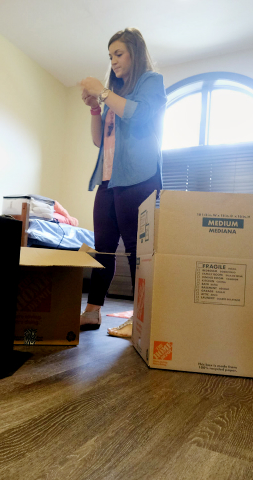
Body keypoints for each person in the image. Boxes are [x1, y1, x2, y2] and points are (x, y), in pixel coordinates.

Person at [78, 28, 166, 338]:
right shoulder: (113, 94)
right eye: (110, 56)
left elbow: (141, 117)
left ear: (135, 54)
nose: (113, 61)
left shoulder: (150, 82)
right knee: (102, 249)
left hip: (138, 178)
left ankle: (141, 318)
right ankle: (92, 313)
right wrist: (94, 107)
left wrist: (103, 93)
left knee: (134, 250)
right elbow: (97, 140)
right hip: (108, 180)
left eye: (119, 54)